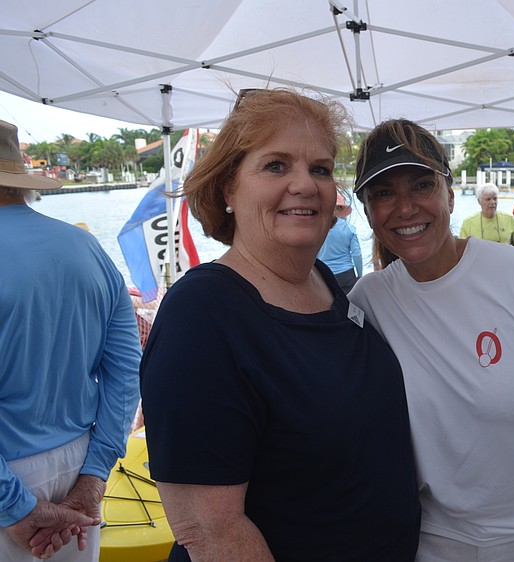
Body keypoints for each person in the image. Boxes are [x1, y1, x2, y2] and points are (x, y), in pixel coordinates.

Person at [140, 89, 420, 562]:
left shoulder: (324, 283)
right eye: (276, 165)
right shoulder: (203, 314)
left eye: (321, 168)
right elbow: (212, 531)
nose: (305, 185)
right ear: (229, 188)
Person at [349, 118, 514, 562]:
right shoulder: (368, 303)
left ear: (450, 195)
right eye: (383, 194)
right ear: (368, 211)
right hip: (430, 545)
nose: (405, 208)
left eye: (420, 185)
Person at [0, 119, 142, 561]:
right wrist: (93, 477)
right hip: (78, 462)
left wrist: (16, 507)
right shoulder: (87, 248)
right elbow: (126, 370)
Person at [317, 192, 363, 293]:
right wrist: (360, 275)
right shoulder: (349, 228)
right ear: (342, 210)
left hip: (323, 273)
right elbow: (357, 255)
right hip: (346, 274)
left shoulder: (318, 228)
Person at [459, 182, 514, 247]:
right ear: (479, 201)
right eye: (488, 199)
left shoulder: (509, 219)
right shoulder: (468, 223)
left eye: (495, 199)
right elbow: (462, 249)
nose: (492, 202)